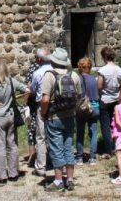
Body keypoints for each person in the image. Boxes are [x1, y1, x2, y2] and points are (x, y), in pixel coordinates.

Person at [39, 47, 83, 192]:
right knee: (69, 147)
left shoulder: (49, 75)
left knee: (56, 149)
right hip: (70, 117)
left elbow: (45, 99)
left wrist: (43, 113)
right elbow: (79, 97)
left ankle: (58, 181)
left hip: (54, 117)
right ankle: (70, 179)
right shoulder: (74, 75)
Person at [0, 58, 30, 184]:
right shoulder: (11, 81)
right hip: (10, 116)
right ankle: (14, 173)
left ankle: (2, 175)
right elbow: (27, 89)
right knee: (12, 145)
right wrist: (23, 102)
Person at [96, 46, 121, 159]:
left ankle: (109, 149)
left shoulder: (103, 70)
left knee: (105, 126)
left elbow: (99, 86)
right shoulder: (120, 70)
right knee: (116, 124)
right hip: (116, 99)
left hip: (105, 100)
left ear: (104, 57)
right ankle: (119, 146)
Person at [28, 47, 51, 176]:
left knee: (41, 136)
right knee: (55, 134)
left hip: (42, 105)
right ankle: (56, 162)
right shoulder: (55, 69)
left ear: (39, 59)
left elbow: (33, 89)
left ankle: (41, 167)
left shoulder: (38, 73)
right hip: (56, 106)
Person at [75, 57, 100, 165]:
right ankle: (93, 157)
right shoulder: (94, 79)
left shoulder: (77, 79)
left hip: (81, 107)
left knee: (80, 133)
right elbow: (97, 95)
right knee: (93, 132)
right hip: (93, 106)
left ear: (80, 67)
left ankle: (79, 157)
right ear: (90, 67)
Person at [24, 48, 46, 166]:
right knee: (44, 130)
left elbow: (29, 88)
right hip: (47, 103)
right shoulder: (51, 67)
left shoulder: (34, 69)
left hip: (36, 103)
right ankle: (40, 156)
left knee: (33, 129)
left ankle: (33, 157)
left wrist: (25, 103)